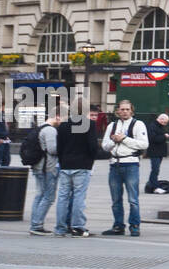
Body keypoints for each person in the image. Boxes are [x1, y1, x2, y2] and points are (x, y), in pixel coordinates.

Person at [100, 100, 148, 236]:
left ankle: (134, 225)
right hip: (114, 164)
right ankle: (118, 225)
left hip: (131, 163)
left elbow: (144, 145)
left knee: (133, 199)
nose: (125, 112)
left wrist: (124, 139)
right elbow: (104, 146)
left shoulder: (138, 124)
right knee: (116, 199)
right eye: (122, 109)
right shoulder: (112, 125)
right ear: (118, 111)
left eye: (127, 109)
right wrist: (114, 141)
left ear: (131, 110)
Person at [54, 103, 100, 238]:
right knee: (79, 197)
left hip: (66, 165)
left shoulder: (63, 125)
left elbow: (59, 147)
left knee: (63, 197)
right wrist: (92, 159)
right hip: (82, 165)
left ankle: (60, 228)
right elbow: (93, 146)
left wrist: (63, 162)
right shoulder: (89, 125)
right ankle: (77, 227)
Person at [27, 113, 62, 235]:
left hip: (38, 166)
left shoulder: (40, 127)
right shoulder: (50, 130)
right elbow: (53, 149)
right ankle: (36, 225)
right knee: (48, 197)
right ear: (57, 116)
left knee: (39, 195)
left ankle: (35, 224)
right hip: (48, 167)